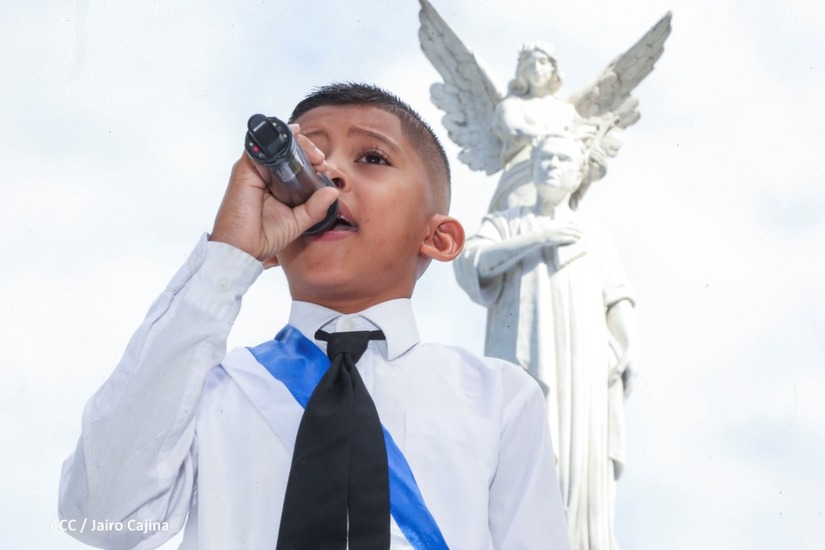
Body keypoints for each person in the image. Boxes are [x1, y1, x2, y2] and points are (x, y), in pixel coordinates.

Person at [58, 83, 570, 549]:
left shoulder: (498, 397)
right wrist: (227, 259)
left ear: (439, 238)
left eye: (372, 157)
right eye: (307, 160)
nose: (328, 175)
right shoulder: (212, 388)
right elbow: (99, 517)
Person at [454, 133, 639, 549]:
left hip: (584, 361)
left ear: (579, 174)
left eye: (563, 160)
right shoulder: (506, 221)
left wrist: (629, 346)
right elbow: (473, 263)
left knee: (582, 456)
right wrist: (540, 239)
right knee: (528, 446)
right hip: (524, 355)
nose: (553, 165)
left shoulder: (595, 233)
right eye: (546, 158)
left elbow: (617, 296)